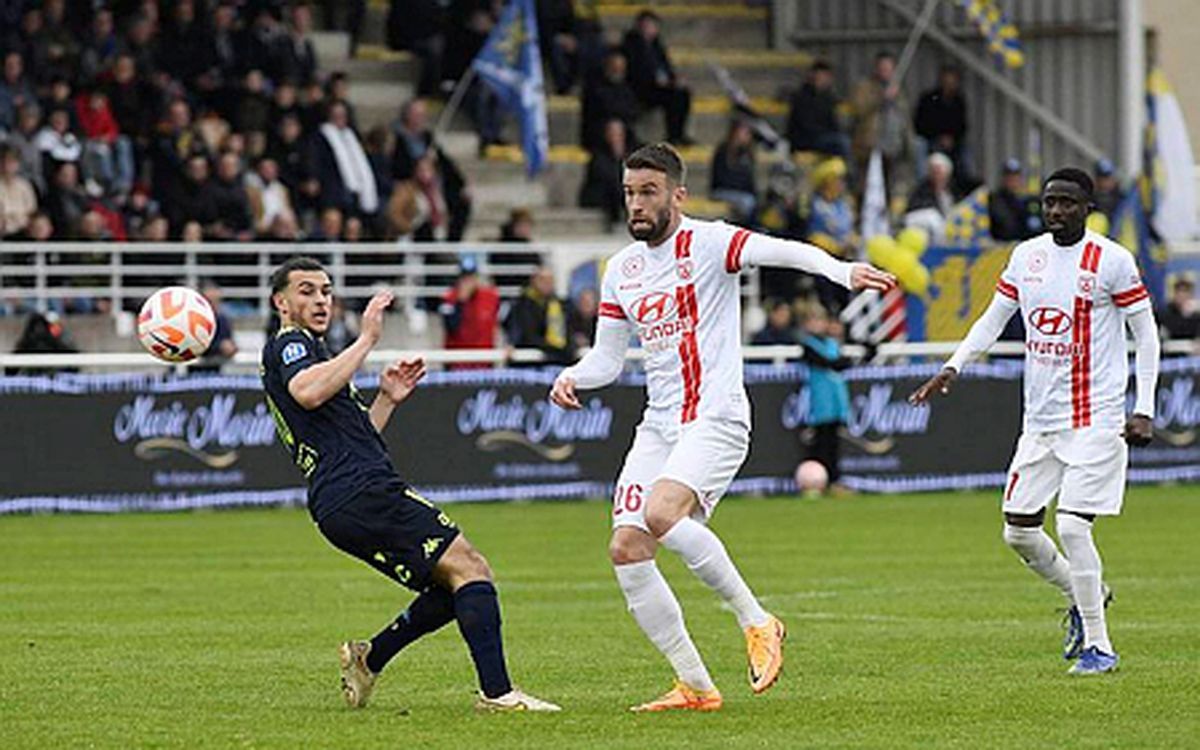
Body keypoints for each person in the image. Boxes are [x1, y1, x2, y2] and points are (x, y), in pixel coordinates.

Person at [548, 143, 894, 711]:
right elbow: (609, 359)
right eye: (630, 192)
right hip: (659, 425)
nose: (636, 203)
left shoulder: (711, 242)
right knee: (627, 549)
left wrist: (840, 270)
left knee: (661, 516)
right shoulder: (622, 272)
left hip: (717, 415)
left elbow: (785, 251)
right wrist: (574, 376)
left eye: (649, 192)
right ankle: (696, 686)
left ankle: (759, 622)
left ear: (678, 195)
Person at [261, 256, 560, 712]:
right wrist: (366, 340)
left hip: (343, 497)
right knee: (471, 566)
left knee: (452, 585)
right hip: (362, 490)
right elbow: (307, 391)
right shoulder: (292, 344)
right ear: (280, 302)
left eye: (325, 291)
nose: (320, 299)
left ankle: (369, 658)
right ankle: (498, 694)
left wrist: (386, 399)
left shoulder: (316, 353)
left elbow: (354, 433)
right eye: (306, 291)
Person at [910, 167, 1161, 675]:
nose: (1056, 211)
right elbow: (993, 318)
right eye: (1049, 202)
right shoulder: (1026, 256)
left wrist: (1145, 406)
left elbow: (1147, 335)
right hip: (1041, 421)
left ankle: (1099, 647)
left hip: (1096, 416)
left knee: (1071, 525)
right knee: (1018, 532)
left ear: (1087, 207)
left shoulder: (1111, 260)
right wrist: (954, 365)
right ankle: (1087, 593)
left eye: (1067, 203)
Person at [797, 305, 852, 494]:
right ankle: (816, 482)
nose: (817, 324)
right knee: (820, 442)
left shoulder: (832, 344)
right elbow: (833, 363)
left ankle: (834, 481)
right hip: (820, 402)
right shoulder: (808, 346)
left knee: (834, 443)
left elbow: (842, 363)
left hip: (836, 401)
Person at [621, 11, 692, 145]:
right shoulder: (631, 45)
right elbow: (637, 72)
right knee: (673, 95)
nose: (649, 29)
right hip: (640, 88)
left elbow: (666, 67)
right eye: (646, 25)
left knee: (682, 93)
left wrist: (674, 80)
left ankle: (677, 134)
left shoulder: (657, 46)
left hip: (659, 86)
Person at [438, 257, 501, 368]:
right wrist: (460, 302)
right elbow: (451, 327)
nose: (468, 282)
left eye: (471, 277)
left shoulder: (491, 297)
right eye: (464, 278)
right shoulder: (448, 299)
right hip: (457, 364)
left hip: (484, 363)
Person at [506, 266, 572, 365]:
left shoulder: (562, 305)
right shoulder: (521, 305)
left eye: (550, 280)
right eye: (542, 279)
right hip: (529, 362)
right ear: (533, 281)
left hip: (558, 359)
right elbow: (524, 334)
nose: (547, 283)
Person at [913, 65, 970, 180]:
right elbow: (919, 124)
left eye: (952, 82)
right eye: (946, 81)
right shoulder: (929, 99)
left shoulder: (958, 101)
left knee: (965, 153)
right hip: (930, 139)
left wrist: (951, 138)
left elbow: (963, 126)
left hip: (953, 142)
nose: (949, 84)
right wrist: (938, 136)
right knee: (919, 145)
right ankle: (922, 181)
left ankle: (965, 184)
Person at [786, 60, 848, 157]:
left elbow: (833, 122)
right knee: (842, 142)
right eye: (821, 76)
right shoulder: (801, 97)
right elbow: (805, 125)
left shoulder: (828, 97)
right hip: (806, 139)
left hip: (823, 137)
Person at [709, 119, 758, 225]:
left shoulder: (747, 154)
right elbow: (720, 178)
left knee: (754, 202)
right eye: (744, 133)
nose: (746, 136)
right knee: (747, 202)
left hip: (740, 193)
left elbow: (750, 180)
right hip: (722, 190)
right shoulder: (723, 151)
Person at [989, 158, 1042, 242]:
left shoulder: (1028, 199)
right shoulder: (996, 200)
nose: (1013, 181)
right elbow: (1006, 227)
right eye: (1009, 178)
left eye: (1016, 177)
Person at [194, 281, 238, 372]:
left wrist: (232, 348)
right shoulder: (194, 320)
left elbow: (230, 342)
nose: (214, 305)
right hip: (192, 371)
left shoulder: (222, 319)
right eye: (210, 301)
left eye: (217, 301)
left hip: (214, 371)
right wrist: (220, 347)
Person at [1160, 277, 1199, 342]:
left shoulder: (1196, 315)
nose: (1182, 296)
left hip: (1191, 350)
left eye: (1185, 292)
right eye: (1179, 292)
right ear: (1174, 294)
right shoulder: (1165, 313)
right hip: (1170, 349)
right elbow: (1172, 331)